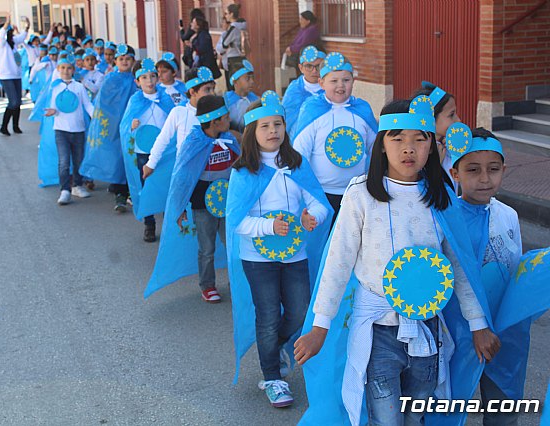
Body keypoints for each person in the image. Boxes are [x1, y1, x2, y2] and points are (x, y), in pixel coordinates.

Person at [293, 97, 500, 425]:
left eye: (420, 138)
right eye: (398, 138)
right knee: (386, 419)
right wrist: (320, 326)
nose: (409, 148)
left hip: (427, 328)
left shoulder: (441, 196)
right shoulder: (360, 193)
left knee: (417, 415)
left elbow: (458, 267)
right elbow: (338, 261)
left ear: (432, 146)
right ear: (381, 144)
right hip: (378, 331)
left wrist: (478, 325)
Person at [226, 91, 331, 408]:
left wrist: (314, 217)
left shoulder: (296, 165)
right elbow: (236, 220)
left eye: (278, 124)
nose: (273, 131)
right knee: (268, 315)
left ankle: (276, 347)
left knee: (299, 311)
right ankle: (272, 376)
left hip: (294, 254)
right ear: (252, 133)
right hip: (257, 259)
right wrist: (268, 227)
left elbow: (318, 203)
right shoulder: (244, 171)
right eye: (265, 126)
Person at [446, 125, 523, 426]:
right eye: (473, 170)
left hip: (504, 329)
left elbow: (515, 269)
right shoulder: (447, 218)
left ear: (504, 169)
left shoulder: (508, 215)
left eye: (493, 169)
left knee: (503, 405)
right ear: (455, 174)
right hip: (459, 329)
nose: (484, 179)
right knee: (451, 404)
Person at [144, 94, 239, 302]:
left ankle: (237, 281)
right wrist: (179, 209)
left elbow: (241, 167)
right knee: (207, 248)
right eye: (225, 116)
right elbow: (182, 177)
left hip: (228, 203)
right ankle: (207, 285)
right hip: (202, 205)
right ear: (214, 121)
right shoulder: (194, 142)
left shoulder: (229, 139)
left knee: (234, 244)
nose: (229, 119)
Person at [293, 52, 377, 225]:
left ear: (353, 81)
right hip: (321, 196)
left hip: (357, 193)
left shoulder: (362, 110)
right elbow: (300, 155)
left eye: (346, 80)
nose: (341, 86)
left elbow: (375, 149)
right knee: (325, 244)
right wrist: (309, 195)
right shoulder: (312, 110)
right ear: (321, 83)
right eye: (334, 81)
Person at [119, 58, 174, 242]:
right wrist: (131, 126)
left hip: (164, 151)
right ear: (137, 82)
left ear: (157, 78)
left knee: (167, 185)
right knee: (147, 187)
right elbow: (124, 125)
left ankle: (170, 224)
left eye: (152, 76)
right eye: (144, 78)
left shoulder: (165, 98)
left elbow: (175, 120)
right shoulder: (135, 100)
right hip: (143, 150)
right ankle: (149, 224)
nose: (149, 81)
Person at [79, 44, 138, 212]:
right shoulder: (111, 79)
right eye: (121, 59)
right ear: (116, 61)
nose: (125, 62)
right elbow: (103, 103)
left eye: (128, 59)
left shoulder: (138, 79)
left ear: (133, 60)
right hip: (114, 125)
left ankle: (129, 191)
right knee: (117, 157)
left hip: (133, 126)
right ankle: (120, 194)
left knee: (131, 158)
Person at [142, 66, 216, 180]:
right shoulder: (180, 112)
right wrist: (151, 164)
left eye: (213, 88)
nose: (212, 94)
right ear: (192, 92)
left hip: (211, 172)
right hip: (186, 172)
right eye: (207, 89)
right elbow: (163, 139)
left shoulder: (216, 113)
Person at [43, 57, 94, 204]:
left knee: (78, 160)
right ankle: (65, 190)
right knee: (64, 161)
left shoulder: (79, 87)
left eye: (69, 68)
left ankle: (77, 185)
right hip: (61, 130)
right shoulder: (55, 87)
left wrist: (96, 117)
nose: (66, 71)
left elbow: (87, 105)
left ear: (74, 70)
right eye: (63, 68)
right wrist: (53, 111)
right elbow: (53, 106)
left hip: (78, 130)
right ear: (58, 69)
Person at [413, 82, 461, 191]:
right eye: (451, 114)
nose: (458, 120)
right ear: (431, 119)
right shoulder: (415, 153)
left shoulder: (449, 147)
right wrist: (434, 165)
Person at [281, 45, 325, 137]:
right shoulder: (294, 90)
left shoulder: (331, 88)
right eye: (309, 66)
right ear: (301, 68)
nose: (314, 71)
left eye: (318, 66)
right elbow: (287, 119)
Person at [0, 17, 30, 136]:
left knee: (18, 102)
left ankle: (16, 126)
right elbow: (1, 37)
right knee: (13, 101)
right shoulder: (2, 43)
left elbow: (22, 36)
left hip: (16, 75)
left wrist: (27, 25)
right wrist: (5, 26)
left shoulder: (14, 42)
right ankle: (4, 126)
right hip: (6, 76)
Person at [223, 59, 257, 134]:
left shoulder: (256, 100)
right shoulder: (226, 102)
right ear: (235, 82)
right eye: (247, 78)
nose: (252, 81)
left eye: (252, 78)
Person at [218, 3, 247, 90]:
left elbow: (224, 44)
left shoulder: (233, 28)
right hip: (243, 57)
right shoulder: (244, 25)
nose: (225, 16)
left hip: (233, 58)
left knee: (232, 85)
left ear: (231, 14)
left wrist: (226, 46)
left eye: (226, 13)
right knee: (241, 82)